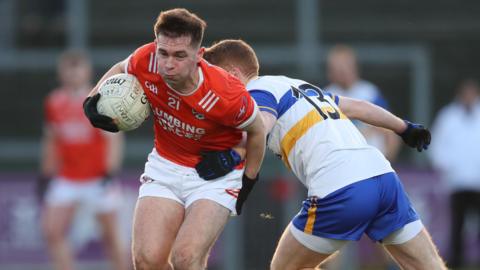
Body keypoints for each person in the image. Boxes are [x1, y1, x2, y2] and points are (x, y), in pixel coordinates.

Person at [201, 39, 446, 270]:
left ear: (233, 74)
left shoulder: (256, 92)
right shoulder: (299, 86)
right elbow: (359, 107)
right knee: (428, 265)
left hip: (341, 187)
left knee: (284, 267)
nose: (213, 89)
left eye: (213, 79)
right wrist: (404, 128)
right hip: (383, 178)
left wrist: (234, 153)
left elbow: (260, 126)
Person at [82, 9, 266, 270]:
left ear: (199, 55)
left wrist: (248, 180)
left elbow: (258, 131)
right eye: (164, 53)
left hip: (214, 178)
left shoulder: (226, 93)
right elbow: (122, 67)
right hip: (166, 166)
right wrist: (91, 99)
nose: (168, 64)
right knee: (147, 260)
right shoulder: (148, 59)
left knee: (186, 257)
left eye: (180, 56)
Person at [39, 50, 127, 270]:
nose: (73, 74)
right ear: (62, 72)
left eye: (78, 68)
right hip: (67, 176)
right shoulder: (54, 102)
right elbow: (51, 139)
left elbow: (114, 139)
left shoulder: (98, 100)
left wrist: (110, 171)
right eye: (69, 68)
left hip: (97, 177)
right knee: (52, 231)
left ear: (87, 71)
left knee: (110, 235)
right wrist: (46, 173)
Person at [429, 79, 480, 268]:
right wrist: (448, 167)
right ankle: (457, 264)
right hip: (457, 183)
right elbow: (436, 145)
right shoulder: (448, 116)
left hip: (478, 181)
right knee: (457, 227)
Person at [325, 45, 401, 162]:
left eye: (346, 66)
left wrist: (388, 161)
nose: (343, 71)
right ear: (330, 71)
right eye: (338, 68)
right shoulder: (325, 96)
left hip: (373, 160)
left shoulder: (370, 92)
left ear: (355, 67)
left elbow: (390, 130)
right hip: (340, 163)